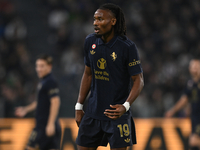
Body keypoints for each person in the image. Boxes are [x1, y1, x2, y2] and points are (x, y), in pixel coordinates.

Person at [75, 3, 144, 150]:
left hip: (117, 115)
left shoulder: (127, 47)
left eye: (100, 19)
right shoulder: (90, 41)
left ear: (113, 21)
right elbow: (87, 75)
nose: (95, 23)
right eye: (94, 19)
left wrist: (125, 106)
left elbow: (139, 80)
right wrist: (79, 106)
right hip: (93, 113)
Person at [15, 54, 61, 150]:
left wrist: (50, 123)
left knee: (30, 147)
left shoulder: (50, 81)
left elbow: (55, 101)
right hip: (45, 125)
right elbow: (39, 102)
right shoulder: (43, 81)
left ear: (49, 67)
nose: (38, 69)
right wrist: (25, 109)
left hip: (44, 126)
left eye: (42, 66)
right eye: (37, 66)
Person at [165, 59, 200, 150]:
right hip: (195, 117)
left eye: (197, 67)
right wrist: (172, 111)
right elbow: (185, 100)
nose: (194, 69)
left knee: (193, 140)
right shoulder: (191, 83)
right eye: (193, 67)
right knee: (193, 143)